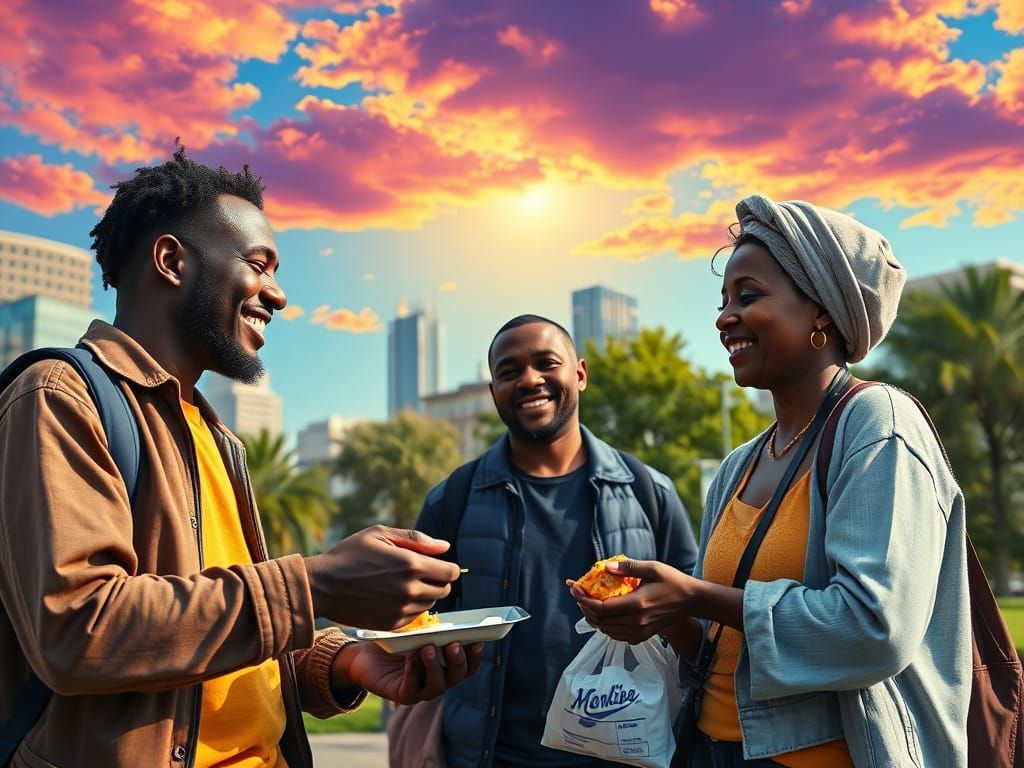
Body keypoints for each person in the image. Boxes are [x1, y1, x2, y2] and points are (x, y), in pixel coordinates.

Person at [0, 147, 482, 768]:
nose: (278, 296)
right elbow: (78, 629)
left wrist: (343, 661)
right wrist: (321, 582)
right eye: (259, 265)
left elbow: (219, 638)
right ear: (172, 261)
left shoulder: (215, 435)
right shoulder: (60, 399)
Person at [571, 194, 970, 767]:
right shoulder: (739, 466)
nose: (724, 317)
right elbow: (721, 648)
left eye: (749, 296)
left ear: (822, 312)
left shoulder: (876, 423)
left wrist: (693, 593)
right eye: (723, 300)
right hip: (711, 751)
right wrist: (668, 616)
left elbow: (874, 626)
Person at [411, 314, 699, 768]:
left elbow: (700, 633)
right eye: (509, 372)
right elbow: (418, 626)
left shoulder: (650, 491)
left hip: (626, 753)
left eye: (546, 363)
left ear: (579, 374)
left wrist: (660, 618)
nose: (529, 380)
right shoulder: (453, 499)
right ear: (493, 393)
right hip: (490, 754)